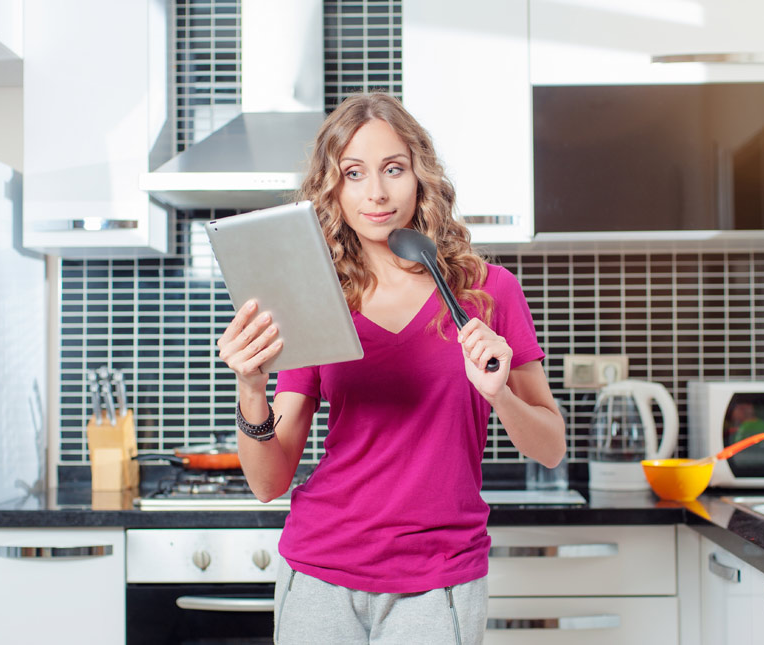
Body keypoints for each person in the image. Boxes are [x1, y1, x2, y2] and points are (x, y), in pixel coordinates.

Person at [217, 93, 566, 644]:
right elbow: (268, 481)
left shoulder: (487, 292)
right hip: (319, 570)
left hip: (437, 578)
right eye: (353, 173)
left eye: (393, 169)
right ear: (333, 189)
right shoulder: (314, 297)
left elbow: (549, 447)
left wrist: (500, 395)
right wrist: (251, 386)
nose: (376, 193)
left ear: (420, 177)